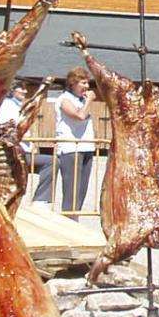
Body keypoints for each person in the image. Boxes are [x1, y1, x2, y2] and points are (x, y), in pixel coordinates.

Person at [0, 81, 55, 202]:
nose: (25, 91)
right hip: (13, 152)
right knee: (51, 162)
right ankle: (40, 200)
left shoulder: (17, 106)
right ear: (12, 90)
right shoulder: (6, 106)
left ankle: (40, 199)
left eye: (25, 88)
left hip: (23, 150)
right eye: (21, 88)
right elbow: (7, 129)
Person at [55, 67, 95, 217]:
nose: (86, 86)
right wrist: (89, 101)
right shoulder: (64, 99)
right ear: (73, 83)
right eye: (82, 83)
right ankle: (67, 221)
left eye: (87, 83)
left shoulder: (82, 100)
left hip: (86, 147)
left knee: (82, 191)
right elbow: (79, 115)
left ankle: (75, 220)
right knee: (71, 191)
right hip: (71, 148)